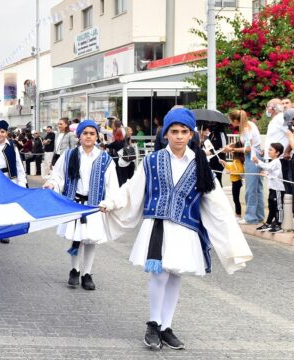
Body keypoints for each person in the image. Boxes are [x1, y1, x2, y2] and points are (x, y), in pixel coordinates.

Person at [98, 107, 253, 351]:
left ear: (191, 134)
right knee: (159, 275)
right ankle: (153, 323)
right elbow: (132, 188)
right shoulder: (152, 160)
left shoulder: (200, 163)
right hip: (157, 226)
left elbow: (217, 206)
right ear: (166, 134)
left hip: (185, 228)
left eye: (184, 131)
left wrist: (233, 242)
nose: (179, 136)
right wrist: (111, 202)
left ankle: (166, 326)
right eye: (174, 131)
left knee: (175, 276)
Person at [44, 120, 119, 291]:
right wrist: (52, 184)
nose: (88, 136)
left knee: (90, 239)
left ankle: (88, 273)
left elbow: (112, 185)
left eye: (92, 134)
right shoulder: (69, 155)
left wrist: (109, 202)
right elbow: (58, 176)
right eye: (85, 133)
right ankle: (74, 270)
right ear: (79, 136)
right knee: (76, 237)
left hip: (94, 205)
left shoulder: (105, 159)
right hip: (74, 202)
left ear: (97, 136)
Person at [227, 110, 264, 225]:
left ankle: (250, 218)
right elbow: (248, 143)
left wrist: (232, 149)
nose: (231, 123)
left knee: (250, 188)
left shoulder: (245, 129)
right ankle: (259, 216)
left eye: (231, 121)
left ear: (235, 120)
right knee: (258, 188)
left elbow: (247, 149)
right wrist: (234, 145)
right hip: (257, 156)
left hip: (251, 157)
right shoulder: (250, 125)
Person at [252, 142, 284, 233]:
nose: (268, 151)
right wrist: (265, 173)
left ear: (277, 153)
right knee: (271, 207)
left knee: (278, 207)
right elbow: (271, 172)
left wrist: (258, 161)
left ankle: (278, 225)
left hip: (278, 189)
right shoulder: (273, 162)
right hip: (272, 188)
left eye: (271, 150)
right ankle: (268, 223)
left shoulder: (276, 161)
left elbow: (267, 167)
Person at [219, 154, 244, 220]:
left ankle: (238, 215)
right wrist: (224, 163)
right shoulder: (235, 161)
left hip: (237, 182)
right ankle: (237, 214)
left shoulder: (238, 161)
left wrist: (231, 172)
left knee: (236, 199)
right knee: (235, 199)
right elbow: (231, 168)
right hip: (234, 182)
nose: (232, 153)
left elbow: (241, 171)